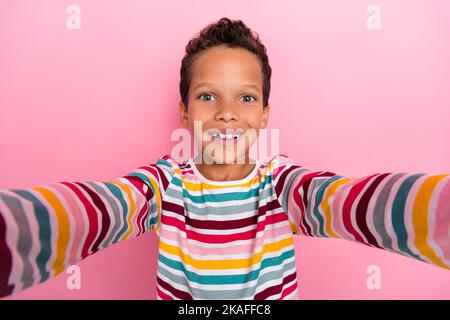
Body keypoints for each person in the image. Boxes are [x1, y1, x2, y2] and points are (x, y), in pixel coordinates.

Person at [0, 17, 448, 300]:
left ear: (265, 112)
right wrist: (16, 232)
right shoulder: (166, 182)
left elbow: (341, 200)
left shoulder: (280, 182)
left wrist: (436, 212)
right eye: (208, 95)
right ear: (185, 110)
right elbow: (108, 205)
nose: (227, 112)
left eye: (247, 97)